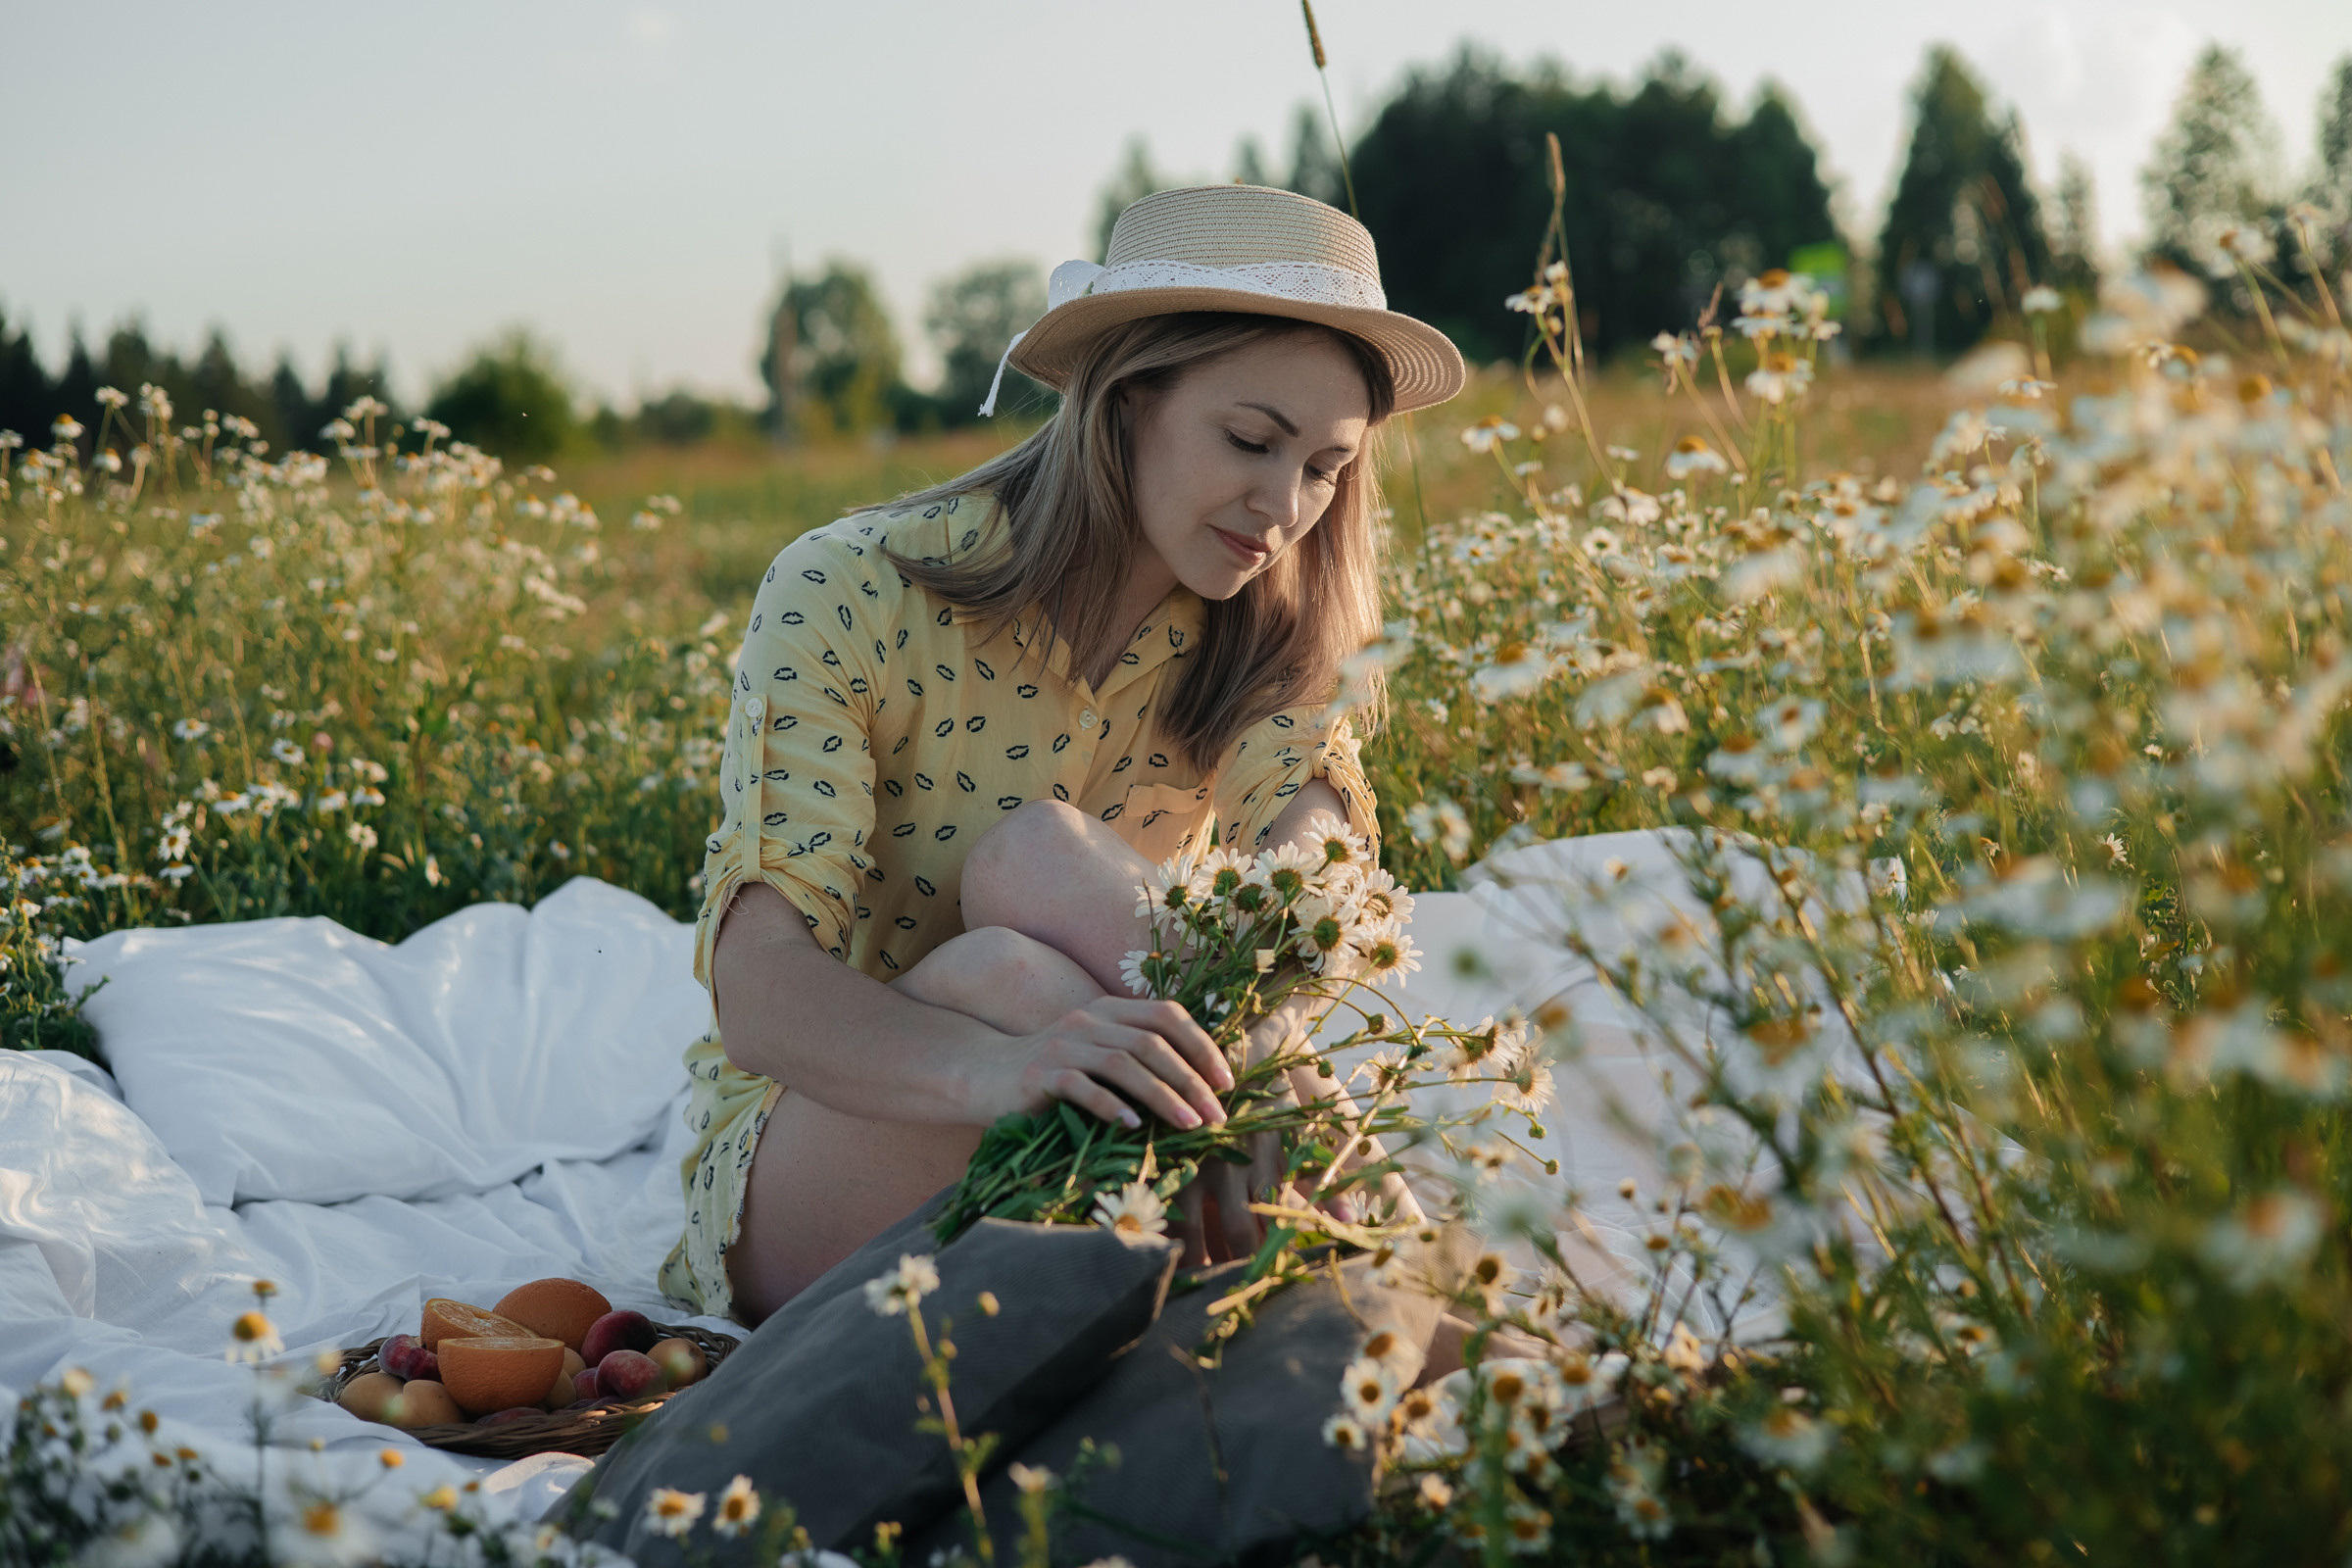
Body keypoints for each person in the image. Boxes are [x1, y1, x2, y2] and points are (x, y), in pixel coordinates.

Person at [659, 184, 1465, 1325]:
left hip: (1131, 1159)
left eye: (1327, 468)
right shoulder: (851, 588)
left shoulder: (1265, 633)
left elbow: (1311, 891)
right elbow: (763, 997)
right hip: (827, 1162)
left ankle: (1376, 1319)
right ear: (1127, 401)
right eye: (1250, 440)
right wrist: (997, 1068)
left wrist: (1275, 971)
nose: (1286, 506)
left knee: (1046, 880)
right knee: (1014, 966)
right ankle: (1417, 1313)